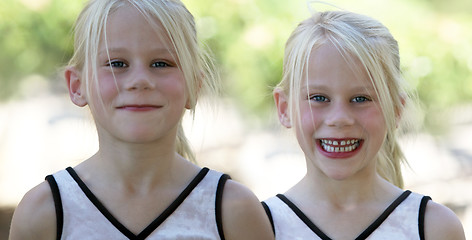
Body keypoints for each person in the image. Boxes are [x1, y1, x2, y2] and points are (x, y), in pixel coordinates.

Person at [9, 0, 274, 239]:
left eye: (161, 63)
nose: (140, 81)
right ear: (77, 86)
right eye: (116, 63)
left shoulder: (234, 212)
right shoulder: (44, 212)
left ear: (194, 86)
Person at [262, 10, 466, 240]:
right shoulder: (256, 227)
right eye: (318, 98)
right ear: (284, 108)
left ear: (396, 110)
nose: (339, 118)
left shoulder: (434, 228)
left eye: (361, 99)